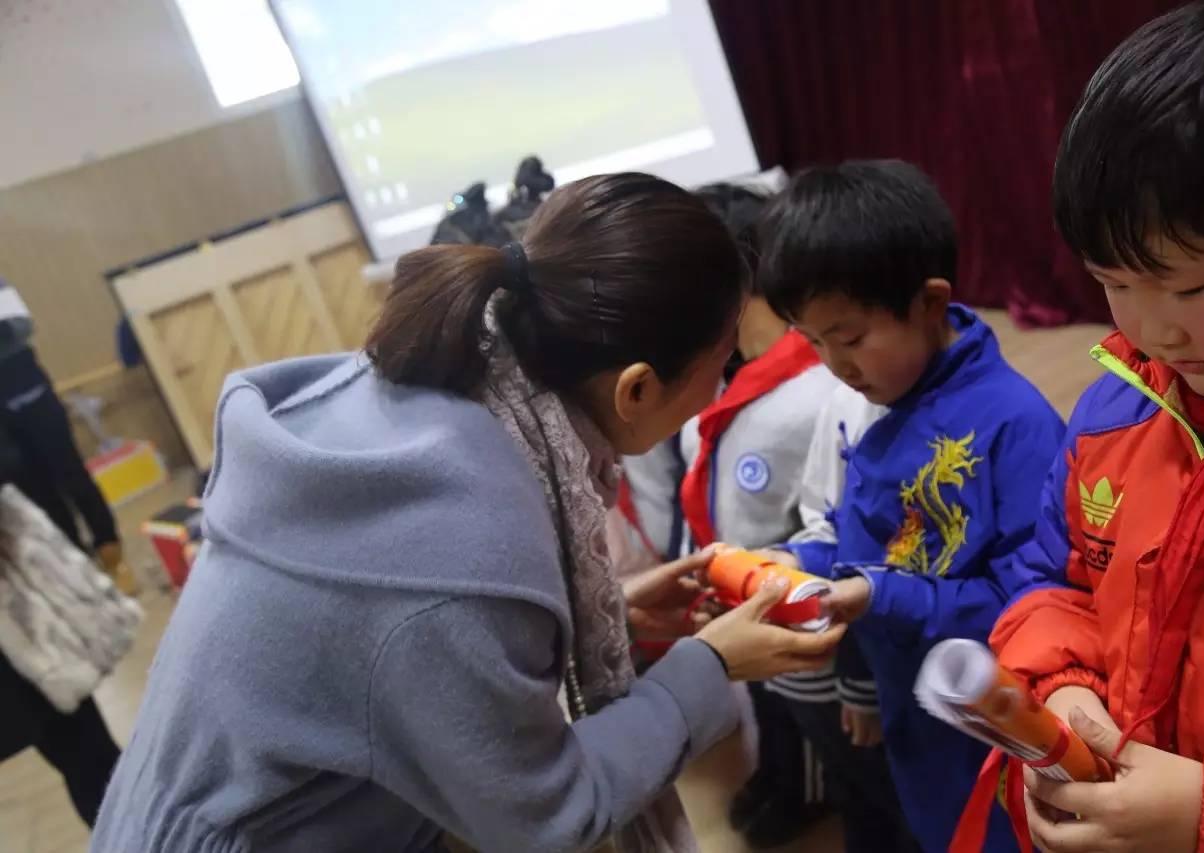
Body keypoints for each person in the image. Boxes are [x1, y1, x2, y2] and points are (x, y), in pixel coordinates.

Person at [90, 172, 847, 853]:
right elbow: (548, 814)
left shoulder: (438, 391)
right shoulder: (463, 546)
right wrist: (711, 666)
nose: (721, 391)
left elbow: (383, 652)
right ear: (637, 389)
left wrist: (603, 609)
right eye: (720, 371)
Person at [985, 4, 1204, 852]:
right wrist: (1064, 690)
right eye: (1114, 283)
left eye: (1188, 289)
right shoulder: (1116, 413)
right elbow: (1055, 579)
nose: (1152, 331)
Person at [756, 161, 1065, 852]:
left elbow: (1036, 602)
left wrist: (880, 594)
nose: (835, 364)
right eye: (814, 341)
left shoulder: (1016, 424)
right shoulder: (883, 400)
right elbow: (864, 537)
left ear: (930, 303)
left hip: (991, 725)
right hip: (912, 707)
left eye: (851, 336)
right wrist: (798, 557)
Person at [674, 182, 843, 847]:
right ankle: (783, 781)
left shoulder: (817, 390)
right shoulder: (732, 376)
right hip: (743, 606)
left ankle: (809, 792)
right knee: (770, 717)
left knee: (822, 737)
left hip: (799, 623)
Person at [0, 424, 139, 827]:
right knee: (85, 759)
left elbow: (10, 457)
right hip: (16, 642)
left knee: (91, 755)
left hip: (27, 615)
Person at [0, 276, 135, 595]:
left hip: (22, 380)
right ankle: (78, 568)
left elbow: (19, 324)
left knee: (70, 473)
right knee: (36, 490)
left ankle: (112, 555)